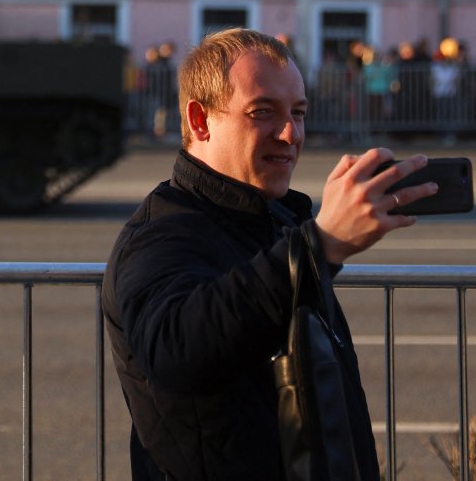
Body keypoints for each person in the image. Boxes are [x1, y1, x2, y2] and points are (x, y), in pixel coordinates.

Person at [102, 28, 436, 480]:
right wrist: (320, 244)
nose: (290, 133)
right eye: (262, 112)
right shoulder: (161, 232)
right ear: (199, 121)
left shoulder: (274, 219)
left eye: (299, 113)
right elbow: (175, 352)